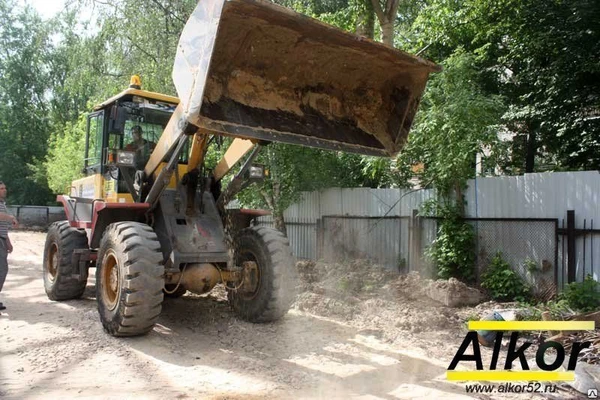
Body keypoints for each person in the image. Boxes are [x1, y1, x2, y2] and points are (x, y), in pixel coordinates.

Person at [0, 181, 18, 311]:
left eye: (5, 188)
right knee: (1, 270)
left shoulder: (2, 204)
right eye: (1, 188)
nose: (4, 190)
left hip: (1, 239)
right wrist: (10, 217)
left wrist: (7, 241)